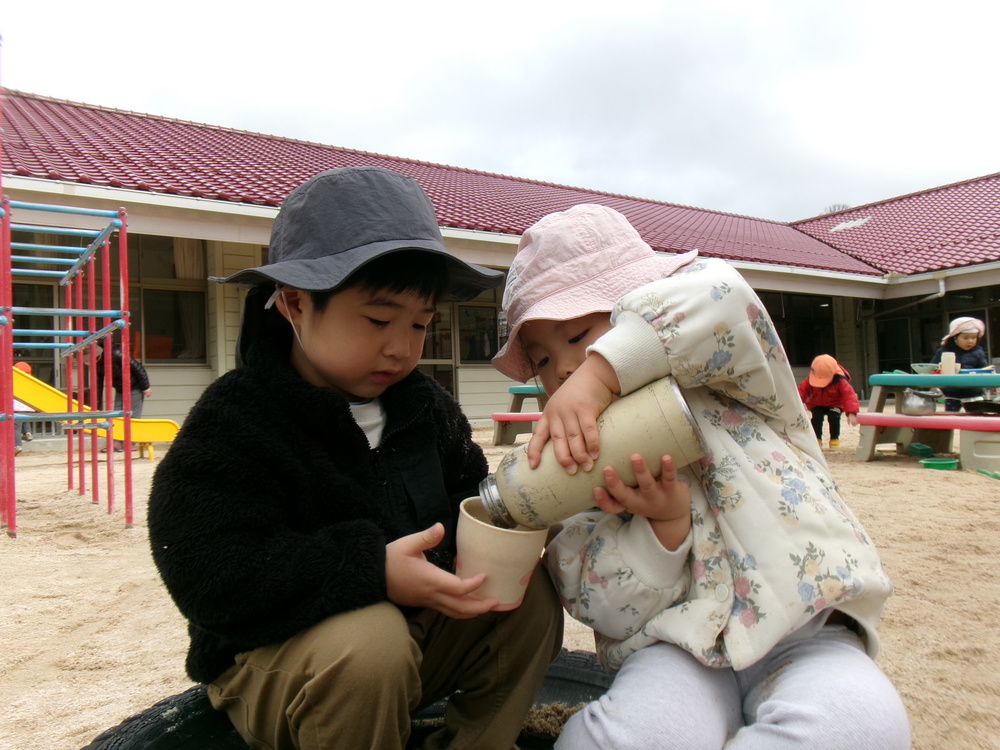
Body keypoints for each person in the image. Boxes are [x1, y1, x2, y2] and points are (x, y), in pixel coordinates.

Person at [147, 167, 563, 750]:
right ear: (294, 303)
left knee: (527, 595)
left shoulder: (425, 409)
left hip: (410, 645)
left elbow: (469, 499)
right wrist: (371, 569)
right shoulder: (240, 419)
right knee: (371, 644)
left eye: (420, 324)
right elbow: (208, 571)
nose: (401, 347)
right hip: (279, 658)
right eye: (377, 320)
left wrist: (527, 513)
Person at [492, 204, 910, 749]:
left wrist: (605, 370)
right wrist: (660, 530)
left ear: (638, 306)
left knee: (862, 723)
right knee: (622, 738)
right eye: (543, 360)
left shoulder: (733, 373)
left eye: (578, 337)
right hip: (677, 647)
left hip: (803, 628)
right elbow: (588, 592)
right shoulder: (576, 462)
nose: (564, 371)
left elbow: (722, 297)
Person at [797, 354, 860, 449]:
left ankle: (834, 439)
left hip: (835, 405)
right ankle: (816, 440)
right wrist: (795, 405)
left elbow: (849, 396)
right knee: (816, 417)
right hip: (816, 404)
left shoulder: (841, 381)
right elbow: (801, 391)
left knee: (834, 416)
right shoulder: (810, 379)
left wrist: (852, 412)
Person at [98, 341, 153, 452]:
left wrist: (145, 387)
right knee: (116, 416)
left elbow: (138, 369)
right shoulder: (97, 362)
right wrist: (96, 404)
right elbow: (98, 384)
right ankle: (116, 443)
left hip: (135, 387)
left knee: (132, 416)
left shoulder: (117, 354)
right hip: (120, 389)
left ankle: (131, 443)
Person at [930, 316, 990, 412]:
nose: (970, 341)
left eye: (974, 338)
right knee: (951, 418)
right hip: (952, 393)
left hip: (974, 393)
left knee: (976, 419)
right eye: (965, 338)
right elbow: (933, 368)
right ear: (955, 337)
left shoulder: (978, 352)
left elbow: (984, 369)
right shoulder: (944, 351)